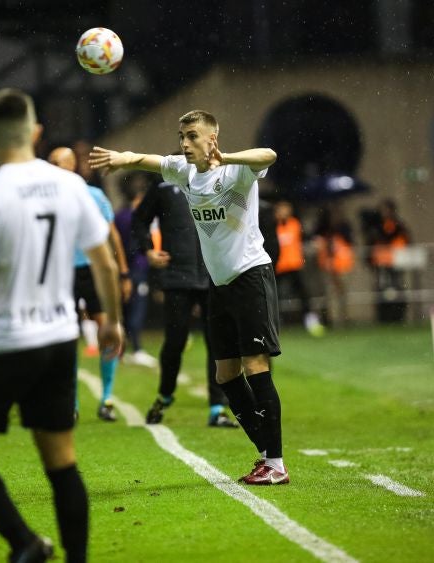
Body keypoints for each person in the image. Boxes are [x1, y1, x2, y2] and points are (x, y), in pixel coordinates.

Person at [0, 88, 123, 562]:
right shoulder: (71, 187)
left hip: (6, 343)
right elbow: (103, 263)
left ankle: (25, 542)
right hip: (59, 339)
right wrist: (112, 323)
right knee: (62, 463)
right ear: (37, 133)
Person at [89, 109, 289, 485]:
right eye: (182, 136)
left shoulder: (237, 171)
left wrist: (226, 157)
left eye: (192, 136)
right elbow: (150, 161)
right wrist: (123, 158)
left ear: (212, 138)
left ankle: (275, 463)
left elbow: (269, 155)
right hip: (219, 283)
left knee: (255, 364)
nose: (184, 144)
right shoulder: (185, 172)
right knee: (225, 373)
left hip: (251, 276)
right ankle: (266, 451)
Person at [131, 174, 239, 428]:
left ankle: (217, 407)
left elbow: (237, 220)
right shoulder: (164, 183)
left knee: (218, 341)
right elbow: (139, 219)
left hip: (213, 274)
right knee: (175, 341)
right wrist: (148, 249)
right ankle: (164, 395)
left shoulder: (219, 178)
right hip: (177, 276)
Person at [48, 146, 132, 422]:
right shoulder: (46, 199)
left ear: (70, 165)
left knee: (106, 332)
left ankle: (106, 398)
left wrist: (123, 273)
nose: (50, 168)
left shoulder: (94, 196)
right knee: (65, 338)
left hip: (93, 271)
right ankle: (70, 403)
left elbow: (112, 237)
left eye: (55, 163)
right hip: (62, 273)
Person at [114, 172, 158, 368]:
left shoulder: (119, 214)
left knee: (125, 308)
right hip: (136, 268)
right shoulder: (134, 216)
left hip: (123, 268)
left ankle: (121, 348)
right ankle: (136, 349)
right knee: (136, 310)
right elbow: (132, 244)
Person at [274, 200, 325, 336]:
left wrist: (315, 240)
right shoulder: (273, 226)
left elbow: (305, 237)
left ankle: (310, 321)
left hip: (294, 266)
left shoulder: (295, 224)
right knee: (274, 297)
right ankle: (274, 324)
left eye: (286, 209)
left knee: (304, 295)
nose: (284, 212)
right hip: (279, 267)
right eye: (281, 209)